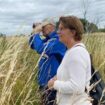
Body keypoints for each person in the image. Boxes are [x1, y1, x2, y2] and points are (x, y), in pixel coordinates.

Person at [48, 16, 92, 105]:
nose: (58, 32)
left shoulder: (77, 53)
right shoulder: (71, 51)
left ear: (73, 32)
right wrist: (58, 77)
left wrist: (54, 84)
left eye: (61, 29)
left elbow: (77, 87)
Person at [29, 20, 67, 105]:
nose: (42, 28)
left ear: (51, 26)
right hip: (44, 81)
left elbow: (41, 49)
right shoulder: (48, 40)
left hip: (53, 82)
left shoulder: (58, 40)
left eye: (44, 26)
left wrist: (36, 33)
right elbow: (32, 45)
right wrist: (34, 32)